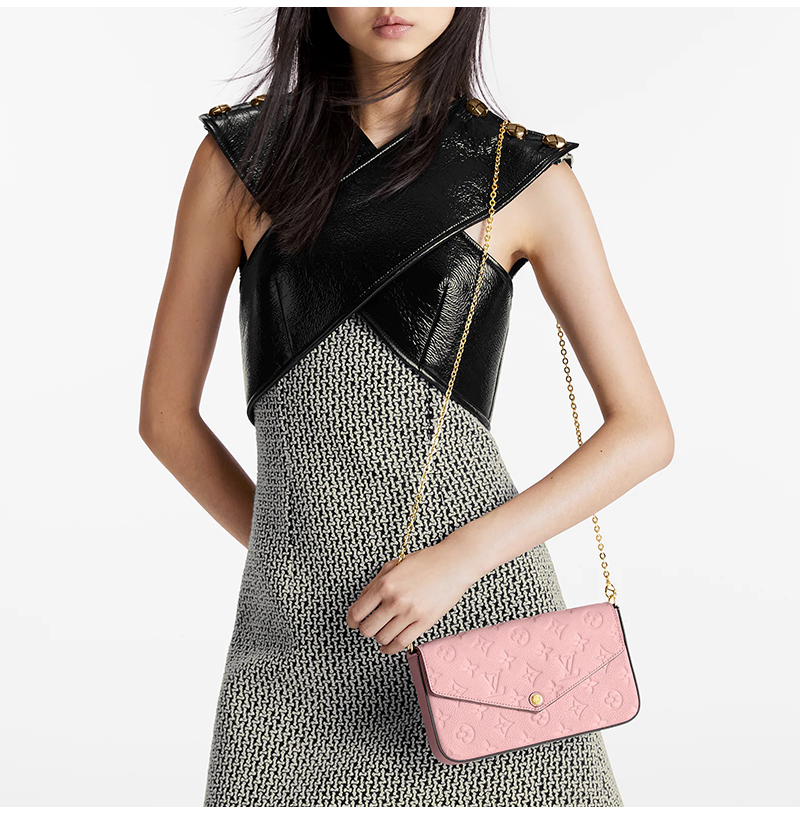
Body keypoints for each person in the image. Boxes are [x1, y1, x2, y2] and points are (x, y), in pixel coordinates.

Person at [139, 7, 674, 807]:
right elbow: (166, 419)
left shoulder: (519, 172)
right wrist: (293, 552)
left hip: (483, 620)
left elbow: (643, 431)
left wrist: (456, 562)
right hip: (296, 634)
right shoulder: (241, 162)